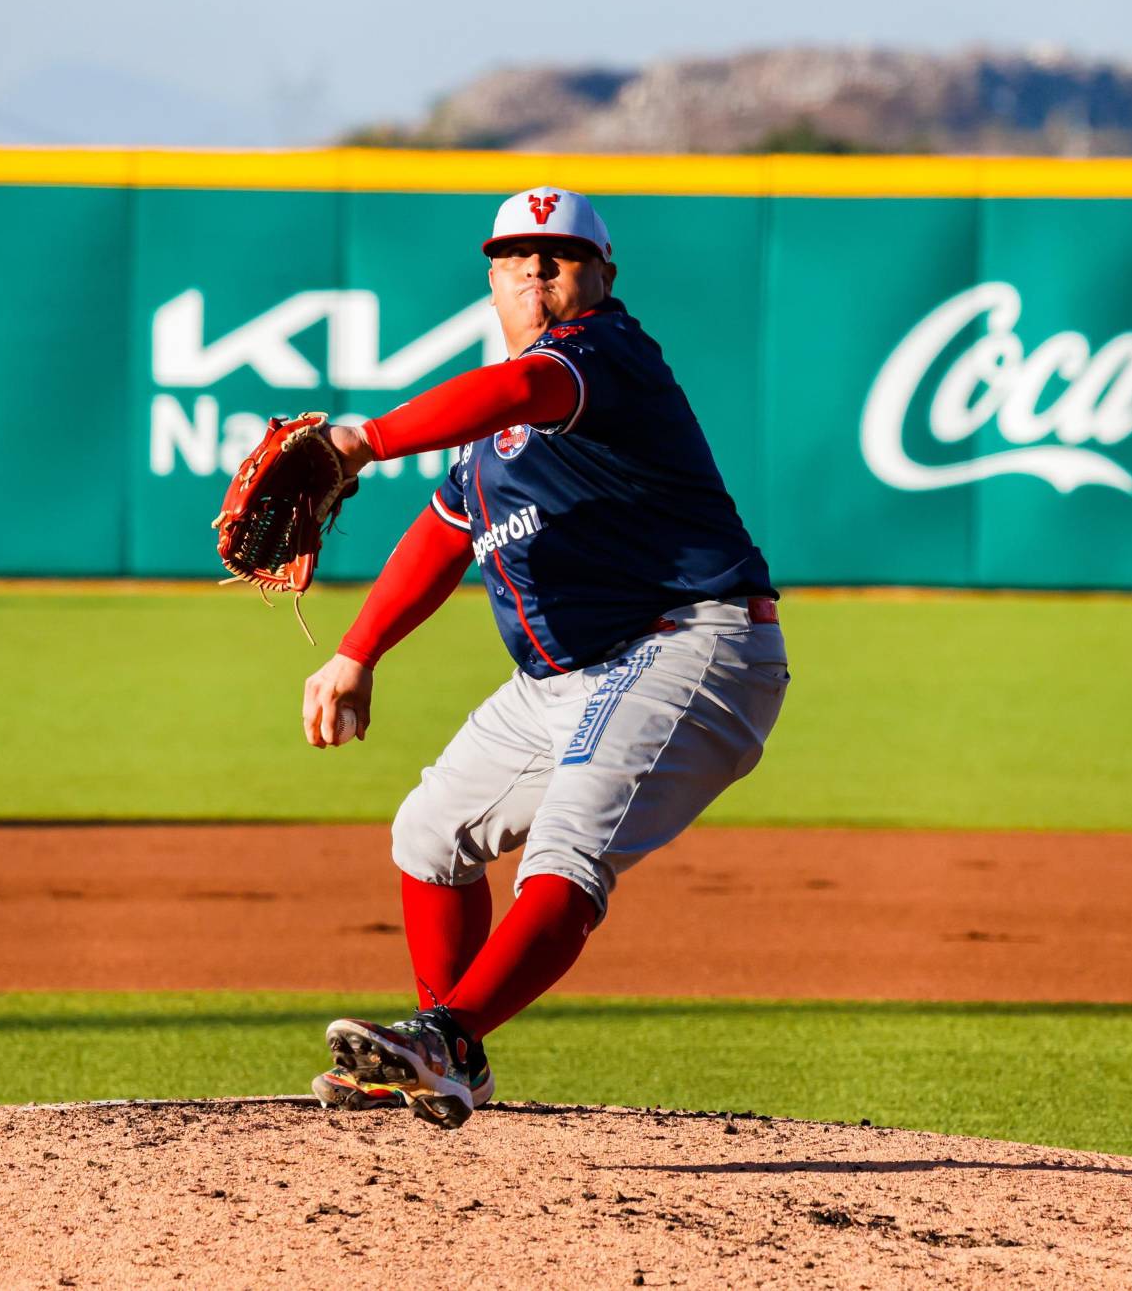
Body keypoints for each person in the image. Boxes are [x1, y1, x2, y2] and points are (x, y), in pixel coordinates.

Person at [300, 187, 789, 1129]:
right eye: (514, 256)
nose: (535, 268)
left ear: (602, 275)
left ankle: (445, 1037)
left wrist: (363, 438)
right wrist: (357, 651)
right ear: (491, 281)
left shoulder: (604, 353)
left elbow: (525, 389)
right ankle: (450, 1058)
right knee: (429, 832)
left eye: (560, 254)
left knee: (566, 849)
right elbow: (443, 534)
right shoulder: (492, 435)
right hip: (565, 677)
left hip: (691, 644)